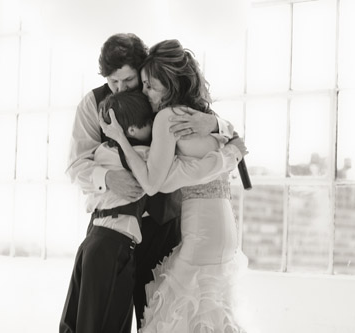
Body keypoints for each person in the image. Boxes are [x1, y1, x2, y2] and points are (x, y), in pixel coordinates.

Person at [62, 33, 242, 332]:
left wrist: (214, 123)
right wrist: (108, 178)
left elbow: (221, 133)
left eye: (127, 80)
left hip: (164, 227)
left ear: (142, 69)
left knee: (158, 319)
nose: (119, 88)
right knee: (102, 321)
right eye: (112, 81)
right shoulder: (92, 105)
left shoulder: (161, 94)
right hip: (115, 230)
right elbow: (75, 163)